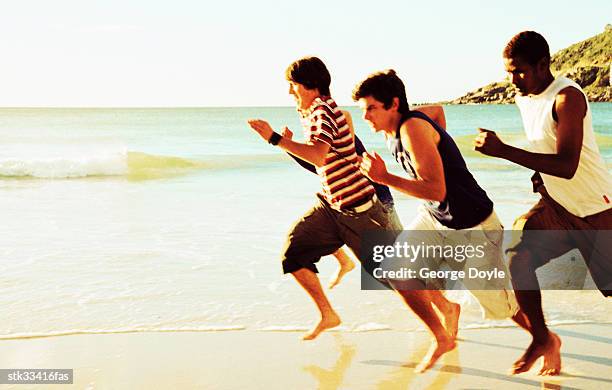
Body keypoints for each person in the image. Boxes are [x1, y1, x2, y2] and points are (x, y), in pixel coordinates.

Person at [353, 69, 526, 372]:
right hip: (435, 219)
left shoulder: (412, 130)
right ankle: (442, 336)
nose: (365, 116)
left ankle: (545, 338)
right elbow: (437, 111)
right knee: (396, 271)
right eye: (362, 109)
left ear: (393, 104)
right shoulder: (405, 126)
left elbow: (436, 189)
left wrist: (383, 178)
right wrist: (438, 144)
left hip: (474, 227)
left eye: (371, 108)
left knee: (503, 309)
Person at [474, 30, 612, 376]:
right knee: (516, 258)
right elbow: (545, 149)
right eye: (508, 71)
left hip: (596, 209)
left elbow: (567, 165)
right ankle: (541, 338)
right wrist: (539, 178)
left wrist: (503, 150)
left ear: (542, 65)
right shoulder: (525, 97)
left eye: (519, 71)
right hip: (555, 206)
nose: (512, 79)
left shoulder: (567, 99)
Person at [247, 56, 403, 341]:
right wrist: (287, 145)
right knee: (294, 253)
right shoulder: (316, 114)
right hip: (334, 203)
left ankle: (445, 307)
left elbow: (319, 155)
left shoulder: (323, 112)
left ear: (310, 85)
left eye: (292, 85)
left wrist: (275, 139)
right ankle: (328, 314)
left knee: (394, 276)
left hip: (366, 202)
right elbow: (321, 163)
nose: (290, 92)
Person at [283, 109, 402, 289]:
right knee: (318, 229)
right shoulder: (321, 132)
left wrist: (286, 144)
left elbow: (318, 161)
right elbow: (319, 165)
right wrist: (289, 146)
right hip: (347, 205)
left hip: (376, 202)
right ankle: (344, 261)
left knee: (397, 268)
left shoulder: (336, 128)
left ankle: (442, 301)